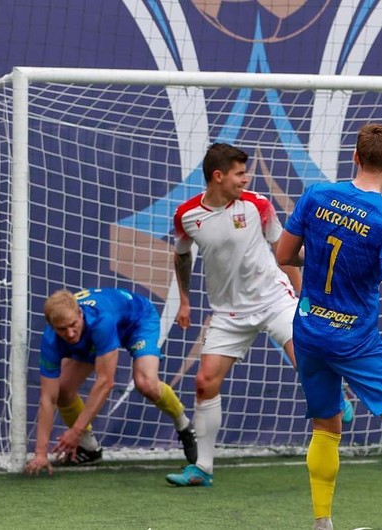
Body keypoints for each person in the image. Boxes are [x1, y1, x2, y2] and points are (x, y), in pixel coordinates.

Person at [275, 123, 382, 530]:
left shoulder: (316, 195)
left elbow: (283, 253)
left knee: (326, 424)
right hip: (354, 338)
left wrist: (312, 263)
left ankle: (322, 522)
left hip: (309, 331)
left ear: (355, 156)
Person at [165, 142, 304, 487]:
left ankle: (335, 398)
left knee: (307, 361)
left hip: (274, 299)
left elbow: (283, 253)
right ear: (218, 176)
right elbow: (181, 256)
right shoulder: (187, 216)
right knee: (203, 383)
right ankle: (203, 468)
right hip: (228, 313)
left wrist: (303, 296)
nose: (246, 178)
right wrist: (184, 300)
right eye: (239, 173)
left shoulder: (258, 205)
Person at [24, 288, 196, 476]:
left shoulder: (101, 321)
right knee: (63, 391)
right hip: (94, 336)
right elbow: (47, 399)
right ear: (51, 326)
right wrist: (40, 453)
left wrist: (76, 431)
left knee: (145, 383)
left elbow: (105, 383)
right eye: (62, 329)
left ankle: (184, 424)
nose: (71, 334)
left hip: (137, 321)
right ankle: (89, 449)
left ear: (80, 314)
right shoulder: (50, 340)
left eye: (73, 324)